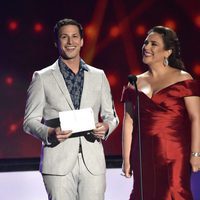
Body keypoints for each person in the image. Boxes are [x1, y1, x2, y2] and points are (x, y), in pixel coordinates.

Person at [23, 18, 119, 200]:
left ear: (82, 41)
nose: (70, 42)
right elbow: (29, 122)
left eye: (75, 36)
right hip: (58, 162)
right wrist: (50, 132)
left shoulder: (98, 76)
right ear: (56, 42)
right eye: (64, 37)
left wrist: (106, 127)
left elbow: (111, 115)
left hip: (93, 162)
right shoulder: (42, 77)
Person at [121, 26, 200, 200]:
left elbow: (196, 118)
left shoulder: (183, 78)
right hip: (143, 154)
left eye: (153, 44)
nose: (146, 47)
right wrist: (126, 159)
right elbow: (128, 122)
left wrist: (196, 153)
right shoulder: (134, 82)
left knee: (174, 192)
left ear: (167, 52)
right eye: (145, 42)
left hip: (174, 152)